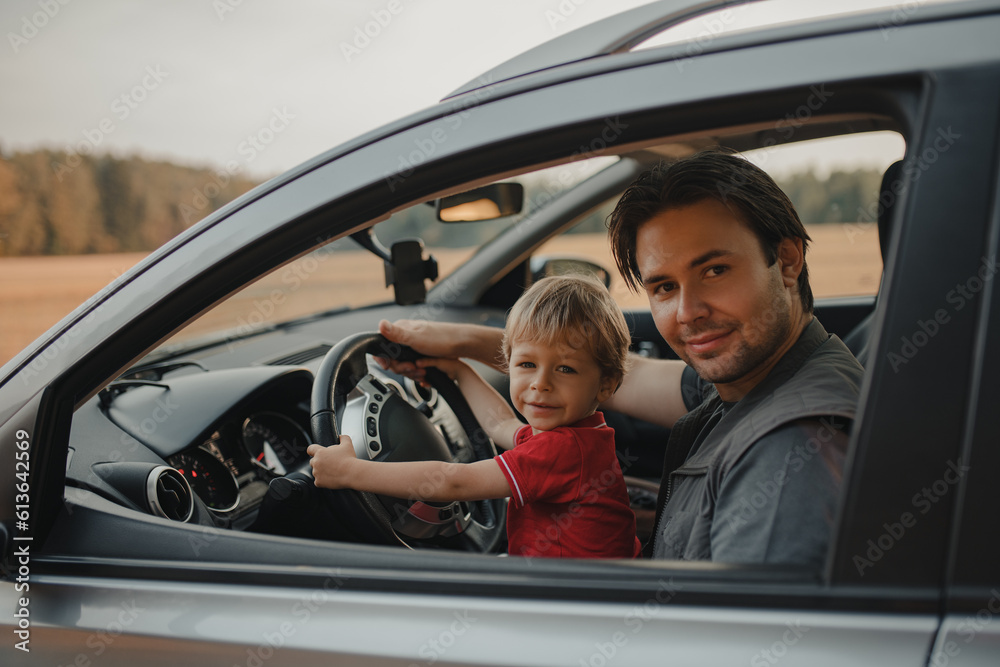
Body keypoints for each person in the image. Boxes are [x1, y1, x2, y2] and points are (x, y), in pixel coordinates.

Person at [375, 149, 864, 568]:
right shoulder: (757, 378)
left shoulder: (788, 458)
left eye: (715, 270)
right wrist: (460, 347)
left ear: (787, 260)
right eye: (664, 287)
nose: (688, 312)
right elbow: (617, 374)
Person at [307, 274, 642, 559]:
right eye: (527, 364)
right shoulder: (581, 435)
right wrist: (457, 369)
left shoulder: (564, 451)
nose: (540, 384)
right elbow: (501, 425)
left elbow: (454, 481)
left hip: (575, 605)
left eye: (565, 369)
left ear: (605, 385)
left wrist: (350, 471)